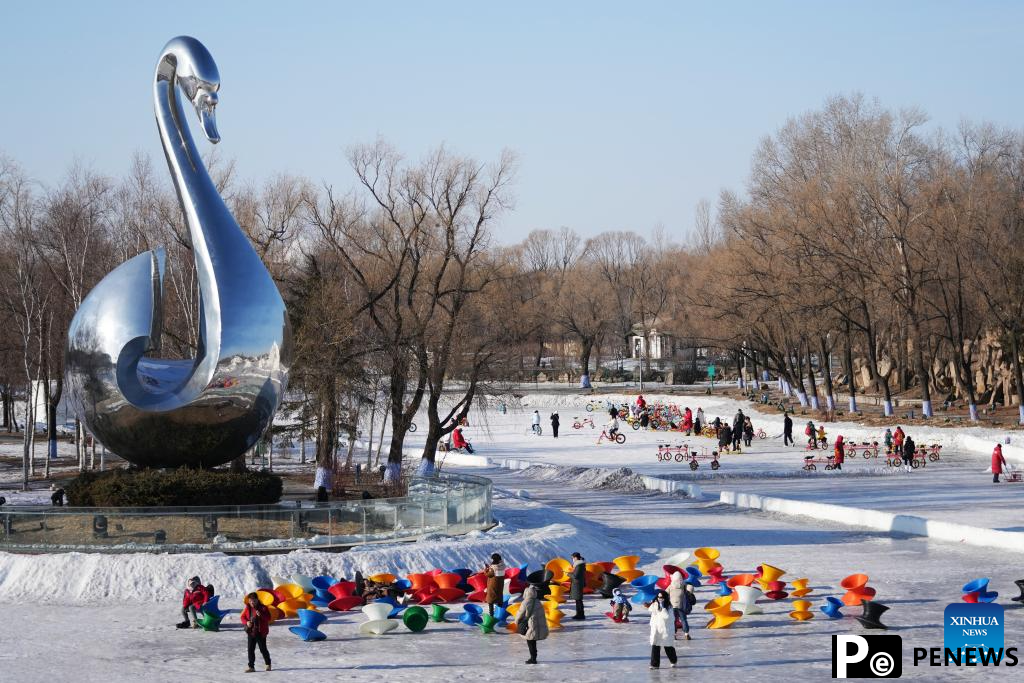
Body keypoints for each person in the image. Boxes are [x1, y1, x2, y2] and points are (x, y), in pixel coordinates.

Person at [513, 583, 549, 664]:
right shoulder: (538, 601)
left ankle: (533, 659)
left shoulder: (525, 602)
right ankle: (534, 657)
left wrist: (517, 621)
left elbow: (520, 613)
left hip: (531, 624)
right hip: (538, 625)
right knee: (533, 641)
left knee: (530, 641)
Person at [241, 592, 272, 672]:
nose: (252, 602)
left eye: (253, 601)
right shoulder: (247, 608)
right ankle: (251, 667)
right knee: (250, 649)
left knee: (263, 649)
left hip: (260, 632)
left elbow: (268, 618)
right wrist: (246, 622)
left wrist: (261, 615)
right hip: (251, 632)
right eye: (250, 601)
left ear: (257, 600)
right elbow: (242, 617)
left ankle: (268, 664)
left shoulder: (263, 608)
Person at [647, 590, 679, 669]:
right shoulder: (655, 604)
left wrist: (663, 608)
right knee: (655, 646)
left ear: (665, 598)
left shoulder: (669, 607)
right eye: (658, 597)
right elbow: (650, 610)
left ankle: (673, 660)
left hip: (665, 630)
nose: (659, 599)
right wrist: (650, 604)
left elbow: (667, 617)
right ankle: (654, 664)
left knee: (668, 646)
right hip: (656, 629)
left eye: (661, 597)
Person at [667, 570, 692, 641]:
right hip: (681, 606)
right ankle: (686, 634)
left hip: (673, 606)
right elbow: (690, 588)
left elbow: (664, 594)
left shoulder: (670, 586)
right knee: (684, 620)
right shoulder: (684, 585)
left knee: (673, 621)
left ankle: (674, 635)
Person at [484, 553, 506, 617]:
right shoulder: (503, 566)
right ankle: (500, 614)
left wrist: (486, 569)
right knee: (499, 598)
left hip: (493, 585)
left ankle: (491, 615)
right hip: (500, 585)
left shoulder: (493, 568)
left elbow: (488, 574)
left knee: (490, 600)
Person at [569, 552, 587, 620]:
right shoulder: (579, 564)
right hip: (578, 584)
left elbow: (575, 576)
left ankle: (581, 615)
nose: (572, 559)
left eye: (573, 558)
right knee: (578, 600)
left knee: (579, 600)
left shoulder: (579, 565)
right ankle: (578, 614)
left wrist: (568, 574)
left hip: (578, 584)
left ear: (576, 558)